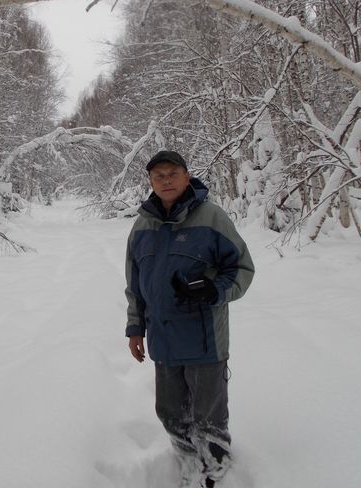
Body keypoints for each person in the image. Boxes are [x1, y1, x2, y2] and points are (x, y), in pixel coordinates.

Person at [124, 150, 255, 488]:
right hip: (162, 339)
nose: (166, 180)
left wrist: (215, 290)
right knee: (170, 412)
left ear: (186, 176)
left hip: (204, 338)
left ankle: (214, 470)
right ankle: (186, 461)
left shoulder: (211, 217)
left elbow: (241, 268)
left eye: (172, 173)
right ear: (151, 182)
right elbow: (135, 283)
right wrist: (135, 328)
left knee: (208, 417)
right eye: (158, 176)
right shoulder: (142, 226)